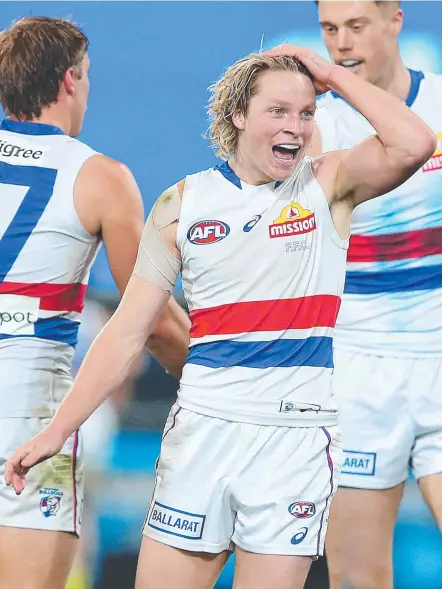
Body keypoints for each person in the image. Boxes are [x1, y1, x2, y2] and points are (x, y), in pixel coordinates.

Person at [5, 45, 435, 589]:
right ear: (238, 116)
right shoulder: (182, 204)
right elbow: (128, 331)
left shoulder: (329, 185)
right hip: (202, 432)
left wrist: (328, 75)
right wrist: (57, 430)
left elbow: (414, 141)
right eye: (278, 111)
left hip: (294, 440)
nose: (296, 128)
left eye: (306, 113)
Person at [0, 16, 189, 589]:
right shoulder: (100, 177)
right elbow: (150, 316)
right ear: (69, 81)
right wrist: (210, 375)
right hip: (28, 407)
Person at [309, 2, 442, 588]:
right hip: (357, 373)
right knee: (358, 578)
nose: (341, 43)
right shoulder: (314, 128)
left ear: (396, 21)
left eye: (356, 25)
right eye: (329, 29)